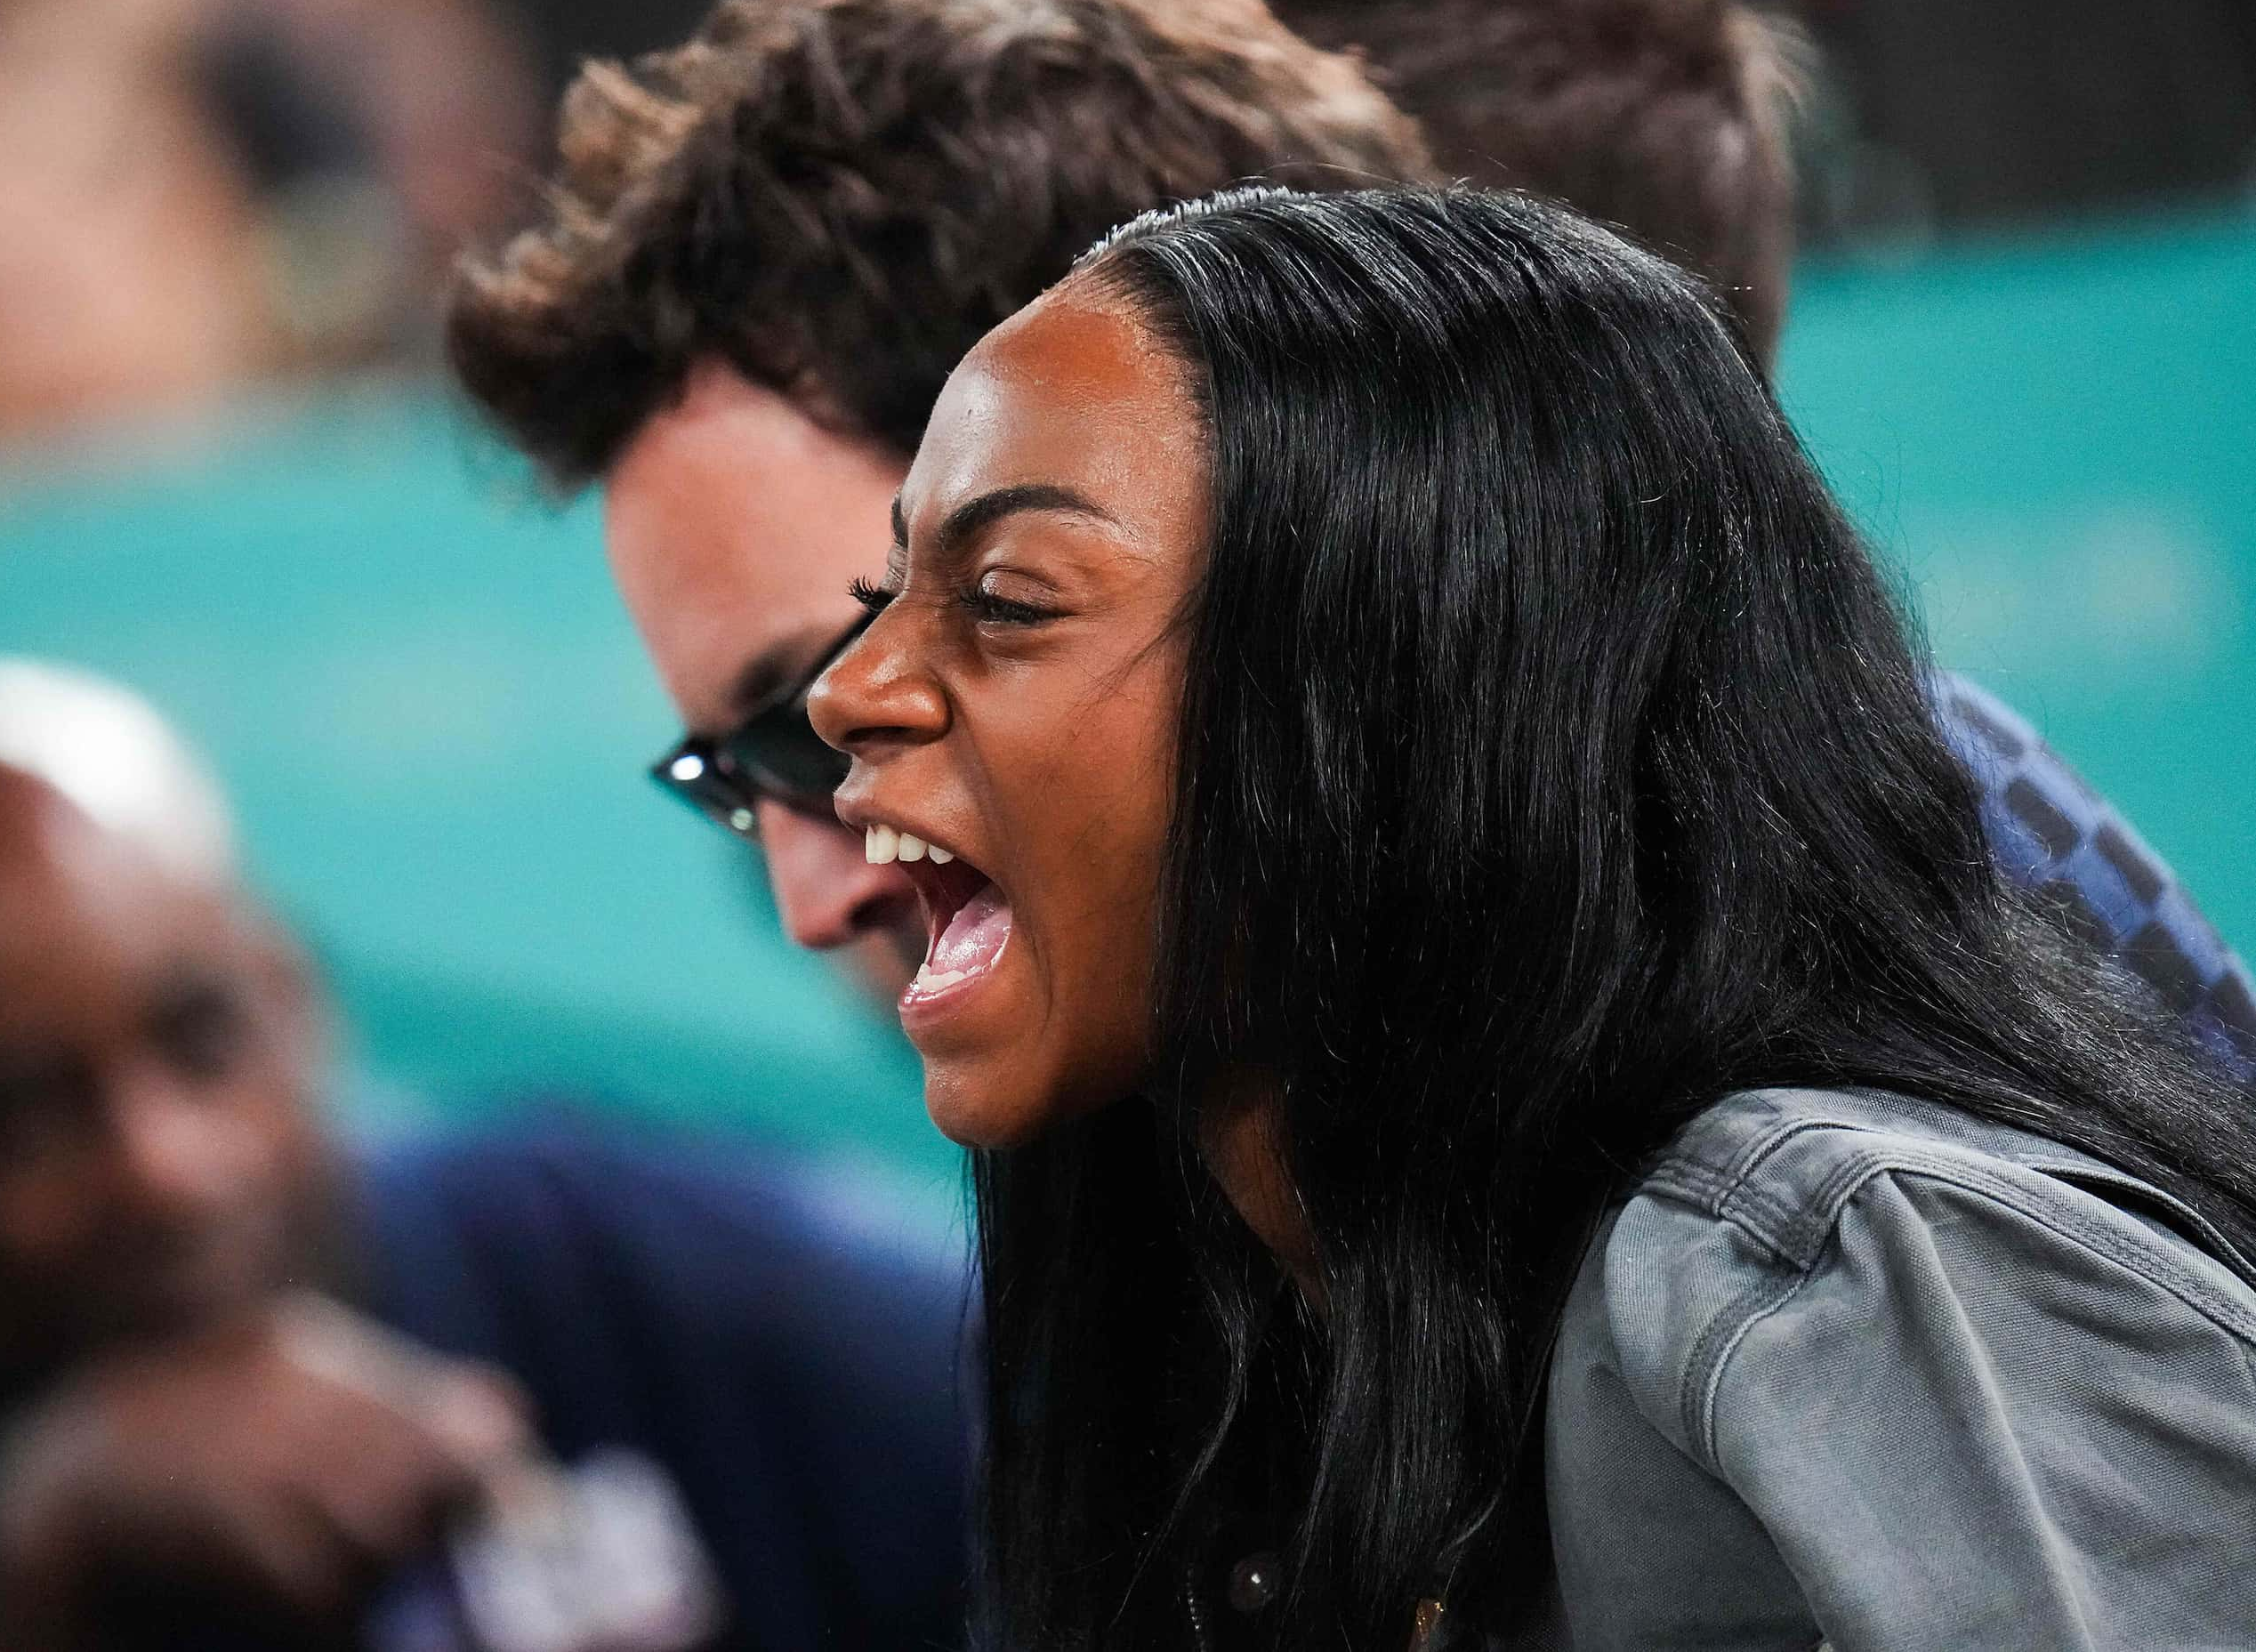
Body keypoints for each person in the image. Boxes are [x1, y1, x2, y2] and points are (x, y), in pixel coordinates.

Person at [806, 183, 2256, 1651]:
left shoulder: (1822, 1267)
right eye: (887, 591)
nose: (845, 689)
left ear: (1407, 682)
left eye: (1004, 599)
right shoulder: (1266, 1358)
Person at [447, 0, 2254, 1071]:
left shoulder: (1768, 1180)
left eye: (826, 708)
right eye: (746, 775)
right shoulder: (1287, 1177)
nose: (813, 885)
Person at [0, 661, 970, 1651]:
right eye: (15, 1118)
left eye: (205, 1036)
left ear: (297, 998)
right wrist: (40, 1575)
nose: (165, 1165)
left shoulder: (650, 1272)